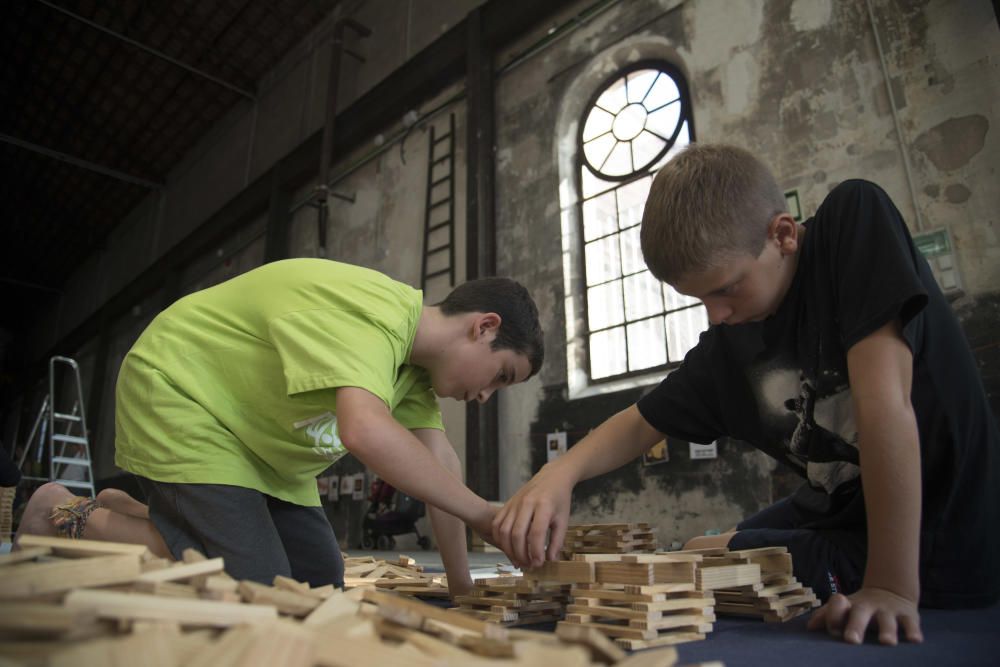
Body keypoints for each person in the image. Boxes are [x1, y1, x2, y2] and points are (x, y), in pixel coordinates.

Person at [493, 144, 999, 646]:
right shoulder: (730, 345)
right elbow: (641, 421)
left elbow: (886, 403)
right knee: (697, 550)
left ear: (782, 235)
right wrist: (559, 473)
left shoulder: (853, 220)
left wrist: (889, 587)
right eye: (699, 300)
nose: (715, 314)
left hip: (941, 539)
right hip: (840, 513)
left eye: (726, 289)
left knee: (706, 557)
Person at [107, 258, 543, 597]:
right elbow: (364, 431)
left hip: (261, 452)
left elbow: (442, 463)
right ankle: (74, 515)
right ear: (484, 327)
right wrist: (482, 513)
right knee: (257, 585)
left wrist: (461, 584)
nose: (486, 395)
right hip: (181, 394)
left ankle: (146, 514)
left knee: (317, 584)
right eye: (501, 376)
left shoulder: (414, 372)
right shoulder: (376, 312)